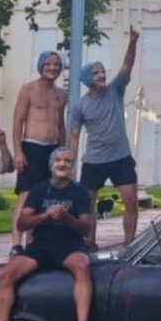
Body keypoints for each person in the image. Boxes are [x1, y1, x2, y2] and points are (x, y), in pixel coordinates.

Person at [0, 148, 94, 321]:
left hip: (70, 245)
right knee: (5, 274)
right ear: (52, 165)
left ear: (72, 166)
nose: (62, 164)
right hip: (41, 245)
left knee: (82, 266)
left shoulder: (80, 192)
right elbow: (22, 223)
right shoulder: (39, 190)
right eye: (58, 160)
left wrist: (67, 218)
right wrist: (45, 216)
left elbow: (85, 228)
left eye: (67, 161)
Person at [68, 26, 140, 247]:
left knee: (131, 200)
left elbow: (127, 66)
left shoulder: (115, 89)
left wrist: (132, 43)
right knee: (88, 204)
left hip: (120, 157)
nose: (102, 75)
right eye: (96, 72)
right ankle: (89, 242)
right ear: (87, 78)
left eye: (102, 71)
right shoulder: (80, 105)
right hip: (94, 160)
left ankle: (129, 242)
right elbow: (74, 136)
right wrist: (70, 163)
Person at [9, 50, 67, 256]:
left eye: (56, 65)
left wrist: (63, 152)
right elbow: (18, 122)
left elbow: (61, 126)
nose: (52, 68)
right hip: (32, 147)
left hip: (52, 150)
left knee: (42, 199)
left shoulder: (61, 94)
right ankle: (16, 245)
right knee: (26, 196)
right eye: (48, 64)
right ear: (41, 65)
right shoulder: (28, 90)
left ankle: (31, 244)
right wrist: (17, 151)